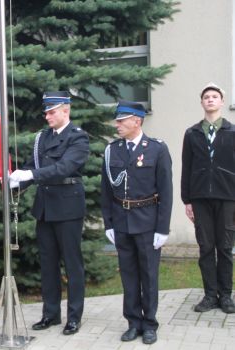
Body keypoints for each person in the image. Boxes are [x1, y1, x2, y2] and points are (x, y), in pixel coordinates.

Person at [9, 91, 89, 335]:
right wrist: (16, 181)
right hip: (45, 208)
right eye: (46, 112)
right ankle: (50, 314)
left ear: (66, 110)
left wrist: (31, 175)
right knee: (48, 265)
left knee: (72, 266)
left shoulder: (78, 138)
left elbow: (63, 168)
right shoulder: (42, 138)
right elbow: (35, 167)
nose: (47, 116)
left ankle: (73, 317)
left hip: (67, 207)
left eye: (52, 111)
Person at [101, 100, 173, 345]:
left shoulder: (157, 149)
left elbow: (166, 191)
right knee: (129, 275)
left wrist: (163, 228)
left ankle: (150, 323)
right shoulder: (113, 150)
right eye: (117, 120)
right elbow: (106, 191)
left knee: (149, 275)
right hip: (121, 221)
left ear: (137, 121)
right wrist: (108, 223)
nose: (117, 124)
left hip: (148, 222)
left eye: (122, 120)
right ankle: (133, 322)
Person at [181, 82, 235, 314]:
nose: (210, 100)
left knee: (224, 247)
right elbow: (187, 167)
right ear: (202, 103)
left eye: (215, 96)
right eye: (206, 97)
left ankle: (226, 296)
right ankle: (209, 295)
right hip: (200, 197)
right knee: (205, 248)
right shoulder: (192, 133)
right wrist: (187, 200)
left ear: (222, 102)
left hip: (227, 198)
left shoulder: (232, 132)